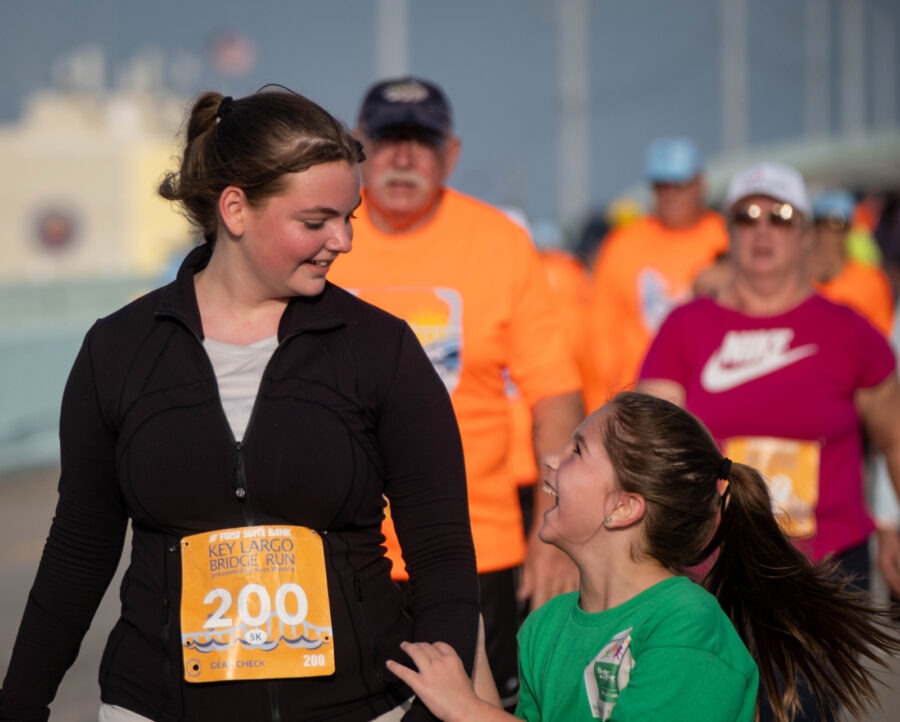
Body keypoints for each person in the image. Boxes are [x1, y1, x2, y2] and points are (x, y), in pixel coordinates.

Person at [0, 86, 479, 722]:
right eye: (315, 222)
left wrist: (430, 709)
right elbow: (79, 553)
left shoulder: (382, 349)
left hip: (364, 707)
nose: (342, 240)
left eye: (349, 216)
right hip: (155, 706)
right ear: (235, 210)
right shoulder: (118, 350)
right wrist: (20, 704)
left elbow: (442, 553)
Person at [384, 392, 900, 722]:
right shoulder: (545, 625)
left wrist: (469, 711)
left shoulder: (687, 625)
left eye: (577, 451)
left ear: (624, 507)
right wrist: (465, 641)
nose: (550, 460)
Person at [328, 76, 582, 709]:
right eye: (387, 139)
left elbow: (554, 393)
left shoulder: (499, 243)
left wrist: (557, 533)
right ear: (358, 145)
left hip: (476, 550)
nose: (404, 157)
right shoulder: (323, 235)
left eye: (422, 141)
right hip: (338, 546)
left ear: (453, 152)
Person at [638, 162, 900, 720]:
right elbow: (650, 443)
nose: (762, 231)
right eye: (746, 216)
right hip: (712, 564)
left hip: (822, 564)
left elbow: (895, 437)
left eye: (779, 217)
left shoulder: (848, 330)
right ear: (727, 232)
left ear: (806, 234)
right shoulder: (686, 327)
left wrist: (896, 524)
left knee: (801, 710)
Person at [582, 137, 728, 412]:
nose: (670, 194)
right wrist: (604, 409)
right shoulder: (623, 245)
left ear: (700, 185)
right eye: (662, 186)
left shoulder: (726, 239)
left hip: (712, 396)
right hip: (640, 406)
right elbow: (599, 337)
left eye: (679, 185)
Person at [809, 188, 895, 336]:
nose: (828, 235)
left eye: (838, 227)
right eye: (821, 226)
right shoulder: (798, 280)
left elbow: (881, 339)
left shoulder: (872, 280)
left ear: (849, 230)